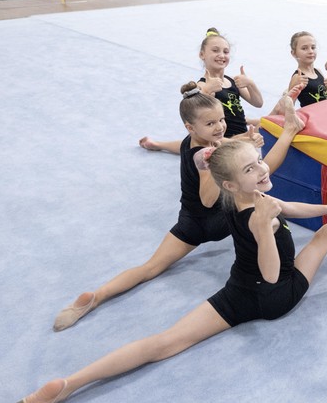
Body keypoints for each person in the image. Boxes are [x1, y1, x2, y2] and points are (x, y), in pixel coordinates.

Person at [0, 127, 327, 403]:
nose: (262, 169)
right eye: (251, 169)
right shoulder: (262, 213)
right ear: (232, 185)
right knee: (326, 236)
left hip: (237, 290)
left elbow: (288, 207)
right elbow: (271, 276)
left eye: (257, 163)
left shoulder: (239, 200)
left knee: (164, 342)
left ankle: (68, 383)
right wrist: (277, 229)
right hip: (274, 295)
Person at [53, 85, 305, 332]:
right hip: (219, 220)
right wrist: (225, 162)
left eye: (221, 120)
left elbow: (185, 145)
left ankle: (97, 295)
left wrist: (159, 144)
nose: (219, 127)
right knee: (258, 173)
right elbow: (208, 199)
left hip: (190, 222)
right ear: (191, 127)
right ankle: (288, 132)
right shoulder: (206, 156)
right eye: (211, 124)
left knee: (149, 268)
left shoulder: (192, 142)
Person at [139, 28, 268, 154]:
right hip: (219, 137)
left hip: (241, 132)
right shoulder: (202, 85)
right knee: (197, 142)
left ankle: (158, 144)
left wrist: (250, 84)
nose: (221, 55)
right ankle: (158, 144)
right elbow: (191, 109)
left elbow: (258, 103)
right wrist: (207, 90)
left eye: (226, 51)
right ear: (202, 55)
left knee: (266, 125)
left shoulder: (233, 81)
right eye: (215, 50)